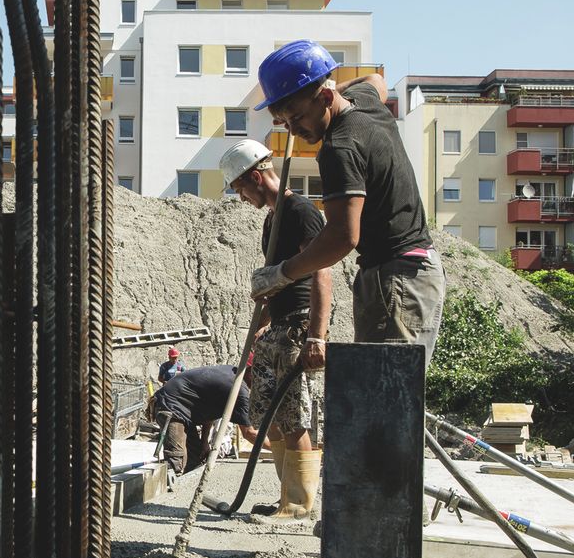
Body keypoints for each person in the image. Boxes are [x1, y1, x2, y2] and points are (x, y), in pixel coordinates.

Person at [249, 40, 445, 369]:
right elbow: (375, 80)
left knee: (384, 400)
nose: (294, 129)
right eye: (285, 122)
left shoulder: (339, 148)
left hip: (396, 278)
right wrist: (319, 92)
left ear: (325, 98)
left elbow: (342, 237)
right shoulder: (365, 103)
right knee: (383, 400)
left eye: (297, 117)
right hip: (404, 273)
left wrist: (282, 273)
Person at [222, 139, 331, 521]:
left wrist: (317, 335)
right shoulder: (273, 219)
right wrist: (266, 315)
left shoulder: (300, 210)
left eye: (240, 189)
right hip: (279, 326)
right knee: (273, 417)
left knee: (295, 415)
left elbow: (322, 270)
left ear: (255, 176)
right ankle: (287, 499)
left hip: (299, 326)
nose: (240, 198)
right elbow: (282, 277)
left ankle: (300, 505)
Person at [151, 364, 258, 477]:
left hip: (185, 409)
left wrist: (204, 441)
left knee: (196, 458)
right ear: (252, 374)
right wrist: (276, 448)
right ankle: (167, 490)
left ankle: (185, 489)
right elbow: (249, 433)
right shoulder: (238, 388)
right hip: (171, 405)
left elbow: (210, 412)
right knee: (176, 461)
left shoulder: (232, 375)